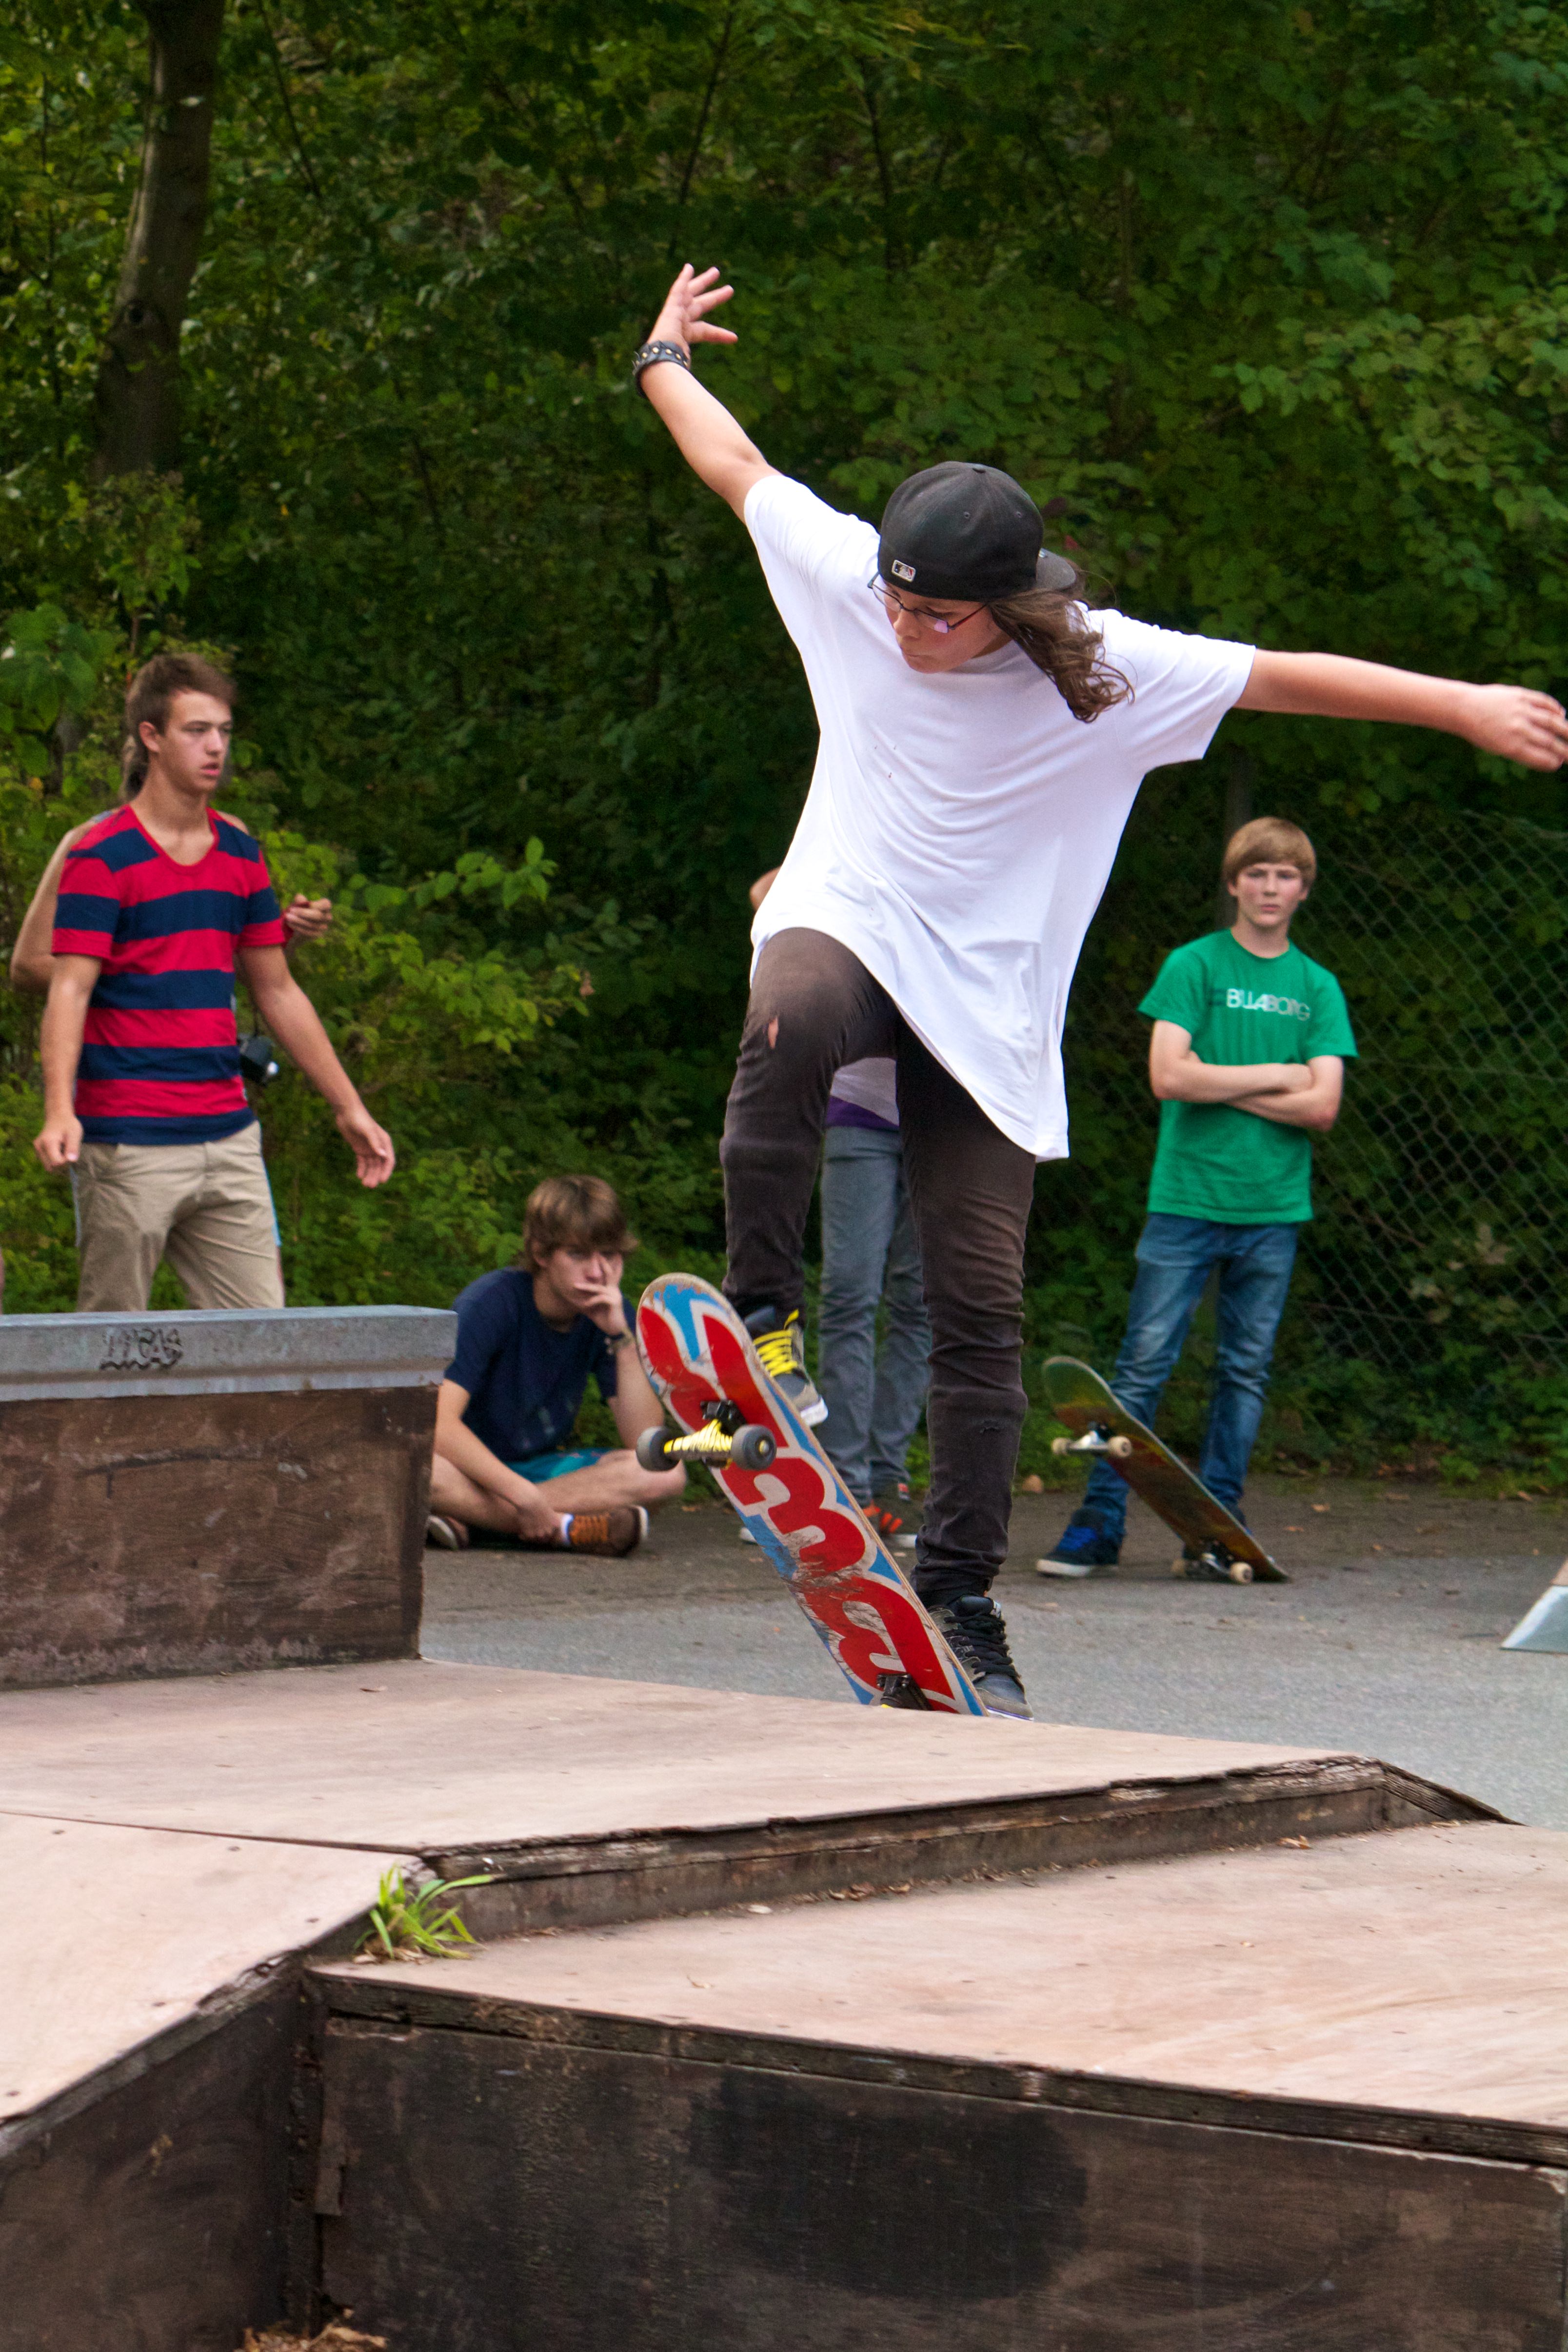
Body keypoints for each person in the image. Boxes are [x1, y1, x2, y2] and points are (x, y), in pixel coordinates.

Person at [633, 261, 1568, 1718]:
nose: (906, 631)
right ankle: (763, 1331)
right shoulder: (852, 579)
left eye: (941, 616)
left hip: (988, 1010)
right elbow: (733, 462)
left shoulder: (1113, 670)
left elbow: (1284, 677)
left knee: (980, 1311)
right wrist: (661, 354)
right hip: (850, 920)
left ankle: (959, 1591)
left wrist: (1459, 705)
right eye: (898, 603)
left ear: (1008, 606)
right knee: (786, 1011)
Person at [33, 652, 394, 1311]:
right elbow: (68, 990)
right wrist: (60, 1109)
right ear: (151, 737)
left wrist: (348, 1105)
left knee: (262, 1344)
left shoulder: (239, 851)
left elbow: (277, 990)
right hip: (127, 1140)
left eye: (223, 731)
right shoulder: (101, 855)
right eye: (197, 731)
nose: (216, 747)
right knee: (111, 1346)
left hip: (228, 1135)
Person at [1043, 818, 1353, 1578]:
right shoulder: (1193, 965)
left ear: (1303, 889)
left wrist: (1217, 1081)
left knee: (1242, 1373)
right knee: (1141, 1368)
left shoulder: (1316, 986)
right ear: (1233, 882)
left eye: (1284, 875)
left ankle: (1217, 1531)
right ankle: (1097, 1525)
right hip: (1184, 1199)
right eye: (1256, 873)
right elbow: (1167, 1076)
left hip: (1271, 1209)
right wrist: (1277, 1075)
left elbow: (1322, 1107)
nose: (1269, 887)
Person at [752, 864, 929, 1550]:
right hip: (860, 1110)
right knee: (851, 1294)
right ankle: (846, 1482)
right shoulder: (859, 856)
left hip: (941, 1114)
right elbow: (766, 894)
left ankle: (889, 1479)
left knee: (918, 1303)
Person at [427, 1173, 685, 1557]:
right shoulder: (491, 1303)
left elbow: (644, 1440)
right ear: (541, 1253)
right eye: (578, 1254)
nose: (597, 1272)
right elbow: (438, 1424)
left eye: (608, 1254)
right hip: (462, 1467)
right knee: (415, 1468)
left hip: (537, 1469)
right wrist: (521, 1496)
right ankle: (564, 1528)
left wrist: (623, 1340)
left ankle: (476, 1519)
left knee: (666, 1469)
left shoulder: (609, 1313)